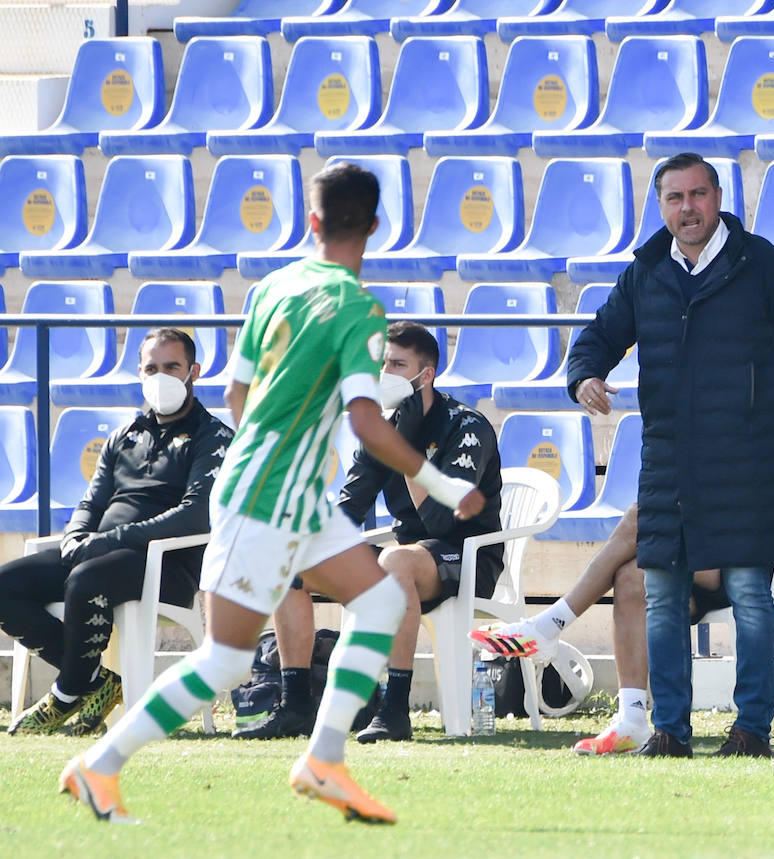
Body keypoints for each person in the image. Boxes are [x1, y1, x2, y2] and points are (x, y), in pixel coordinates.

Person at [59, 162, 485, 825]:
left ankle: (323, 757)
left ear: (311, 221)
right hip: (272, 492)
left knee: (377, 601)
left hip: (276, 487)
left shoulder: (273, 288)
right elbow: (368, 421)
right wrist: (437, 480)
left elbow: (236, 395)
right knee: (226, 658)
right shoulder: (358, 307)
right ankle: (102, 764)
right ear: (375, 226)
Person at [559, 152, 774, 758]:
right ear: (661, 206)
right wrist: (584, 377)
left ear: (717, 197)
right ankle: (670, 731)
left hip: (749, 461)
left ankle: (752, 730)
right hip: (669, 462)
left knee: (751, 597)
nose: (688, 208)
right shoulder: (647, 270)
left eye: (698, 195)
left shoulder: (765, 265)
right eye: (675, 198)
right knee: (661, 596)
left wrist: (771, 408)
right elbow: (598, 336)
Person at [472, 372, 774, 755]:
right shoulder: (756, 435)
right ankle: (632, 719)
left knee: (643, 518)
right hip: (714, 557)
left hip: (769, 569)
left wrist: (752, 527)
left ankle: (550, 624)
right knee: (631, 577)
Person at [234, 320, 503, 743]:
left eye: (396, 364)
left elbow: (441, 522)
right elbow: (349, 508)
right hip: (404, 558)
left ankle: (395, 710)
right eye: (379, 364)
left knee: (395, 560)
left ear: (425, 374)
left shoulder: (467, 427)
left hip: (466, 556)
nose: (383, 375)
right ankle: (296, 706)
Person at [0, 328, 231, 737]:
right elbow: (92, 501)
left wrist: (110, 541)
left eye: (172, 367)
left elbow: (196, 516)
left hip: (164, 563)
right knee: (6, 584)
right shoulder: (124, 436)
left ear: (193, 371)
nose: (161, 376)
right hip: (101, 552)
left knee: (88, 578)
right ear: (140, 373)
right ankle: (98, 682)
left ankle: (68, 693)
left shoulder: (213, 437)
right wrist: (76, 536)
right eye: (151, 368)